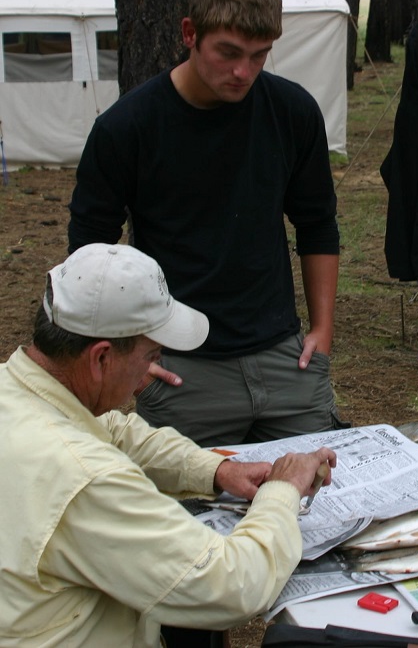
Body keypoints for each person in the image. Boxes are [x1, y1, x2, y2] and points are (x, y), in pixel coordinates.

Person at [0, 243, 336, 647]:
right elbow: (231, 587)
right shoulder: (86, 477)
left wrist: (217, 469)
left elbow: (115, 430)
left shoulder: (21, 392)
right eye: (151, 355)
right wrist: (284, 491)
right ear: (101, 358)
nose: (152, 368)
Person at [67, 0, 344, 448]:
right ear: (190, 34)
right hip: (181, 368)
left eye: (260, 57)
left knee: (321, 499)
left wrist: (322, 328)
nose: (243, 72)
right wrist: (133, 355)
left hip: (286, 358)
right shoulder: (127, 128)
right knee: (190, 513)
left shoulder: (292, 112)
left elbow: (317, 223)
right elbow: (88, 258)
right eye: (229, 54)